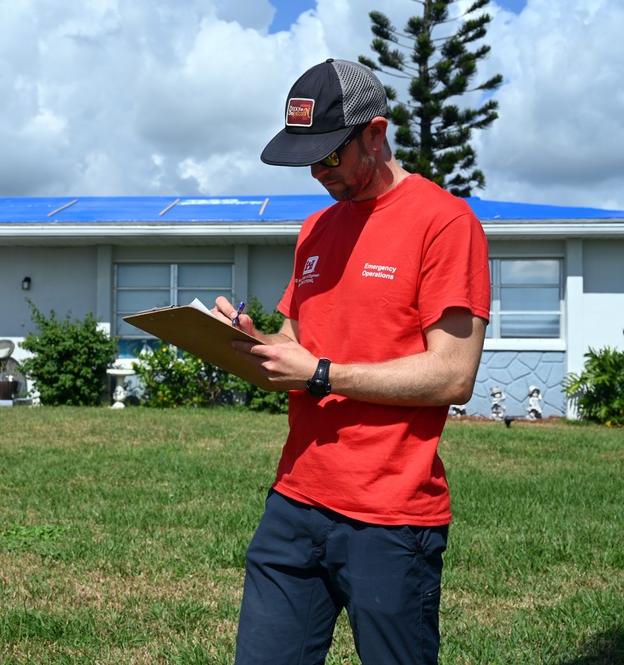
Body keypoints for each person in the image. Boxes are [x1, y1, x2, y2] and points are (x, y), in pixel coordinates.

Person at [212, 58, 491, 664]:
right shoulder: (316, 228)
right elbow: (297, 342)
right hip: (294, 501)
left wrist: (319, 374)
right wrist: (255, 345)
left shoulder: (445, 223)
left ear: (375, 132)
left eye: (330, 156)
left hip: (390, 516)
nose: (317, 172)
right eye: (307, 158)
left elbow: (453, 375)